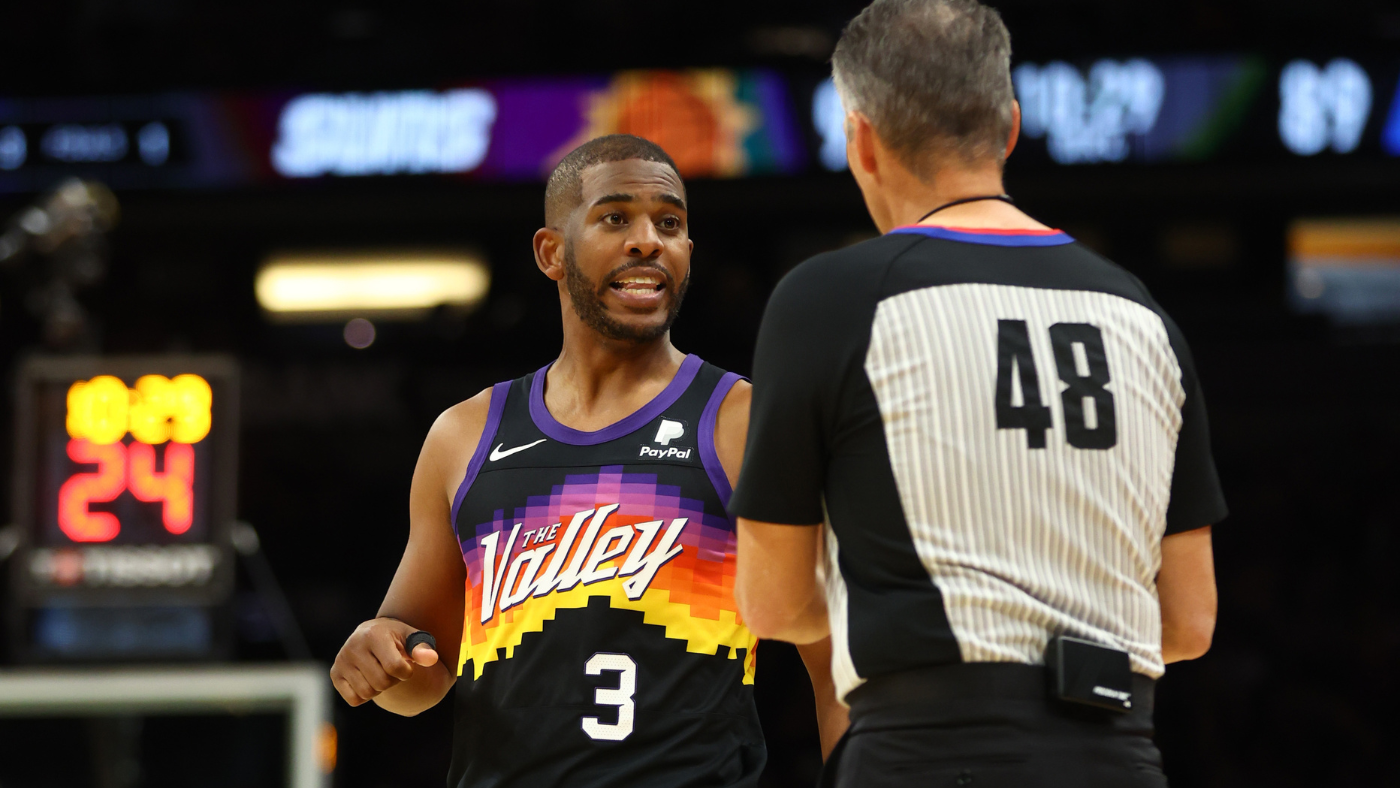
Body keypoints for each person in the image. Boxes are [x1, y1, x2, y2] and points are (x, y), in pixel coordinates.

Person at [729, 2, 1226, 787]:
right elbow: (1190, 622)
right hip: (1119, 755)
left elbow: (773, 603)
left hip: (925, 753)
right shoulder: (1142, 312)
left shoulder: (828, 299)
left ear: (859, 138)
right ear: (1012, 127)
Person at [330, 134, 846, 787]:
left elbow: (833, 657)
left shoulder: (743, 421)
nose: (647, 240)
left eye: (670, 223)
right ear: (552, 253)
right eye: (615, 218)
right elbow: (419, 676)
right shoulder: (463, 436)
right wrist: (378, 653)